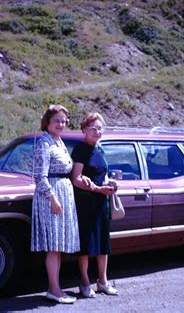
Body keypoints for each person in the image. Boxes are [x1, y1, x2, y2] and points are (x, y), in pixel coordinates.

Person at [31, 104, 80, 304]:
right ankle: (55, 290)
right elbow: (39, 177)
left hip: (63, 193)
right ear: (48, 123)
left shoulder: (58, 141)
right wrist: (52, 198)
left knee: (58, 245)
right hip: (51, 196)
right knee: (53, 245)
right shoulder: (44, 142)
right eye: (57, 120)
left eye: (63, 120)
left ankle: (55, 288)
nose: (61, 124)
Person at [71, 112, 119, 298]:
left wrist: (111, 183)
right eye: (94, 128)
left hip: (101, 202)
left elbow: (102, 174)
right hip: (85, 202)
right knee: (86, 244)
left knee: (102, 243)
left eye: (100, 128)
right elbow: (76, 179)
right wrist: (99, 189)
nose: (98, 131)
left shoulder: (100, 149)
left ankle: (103, 282)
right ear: (84, 130)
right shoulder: (81, 149)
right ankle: (84, 283)